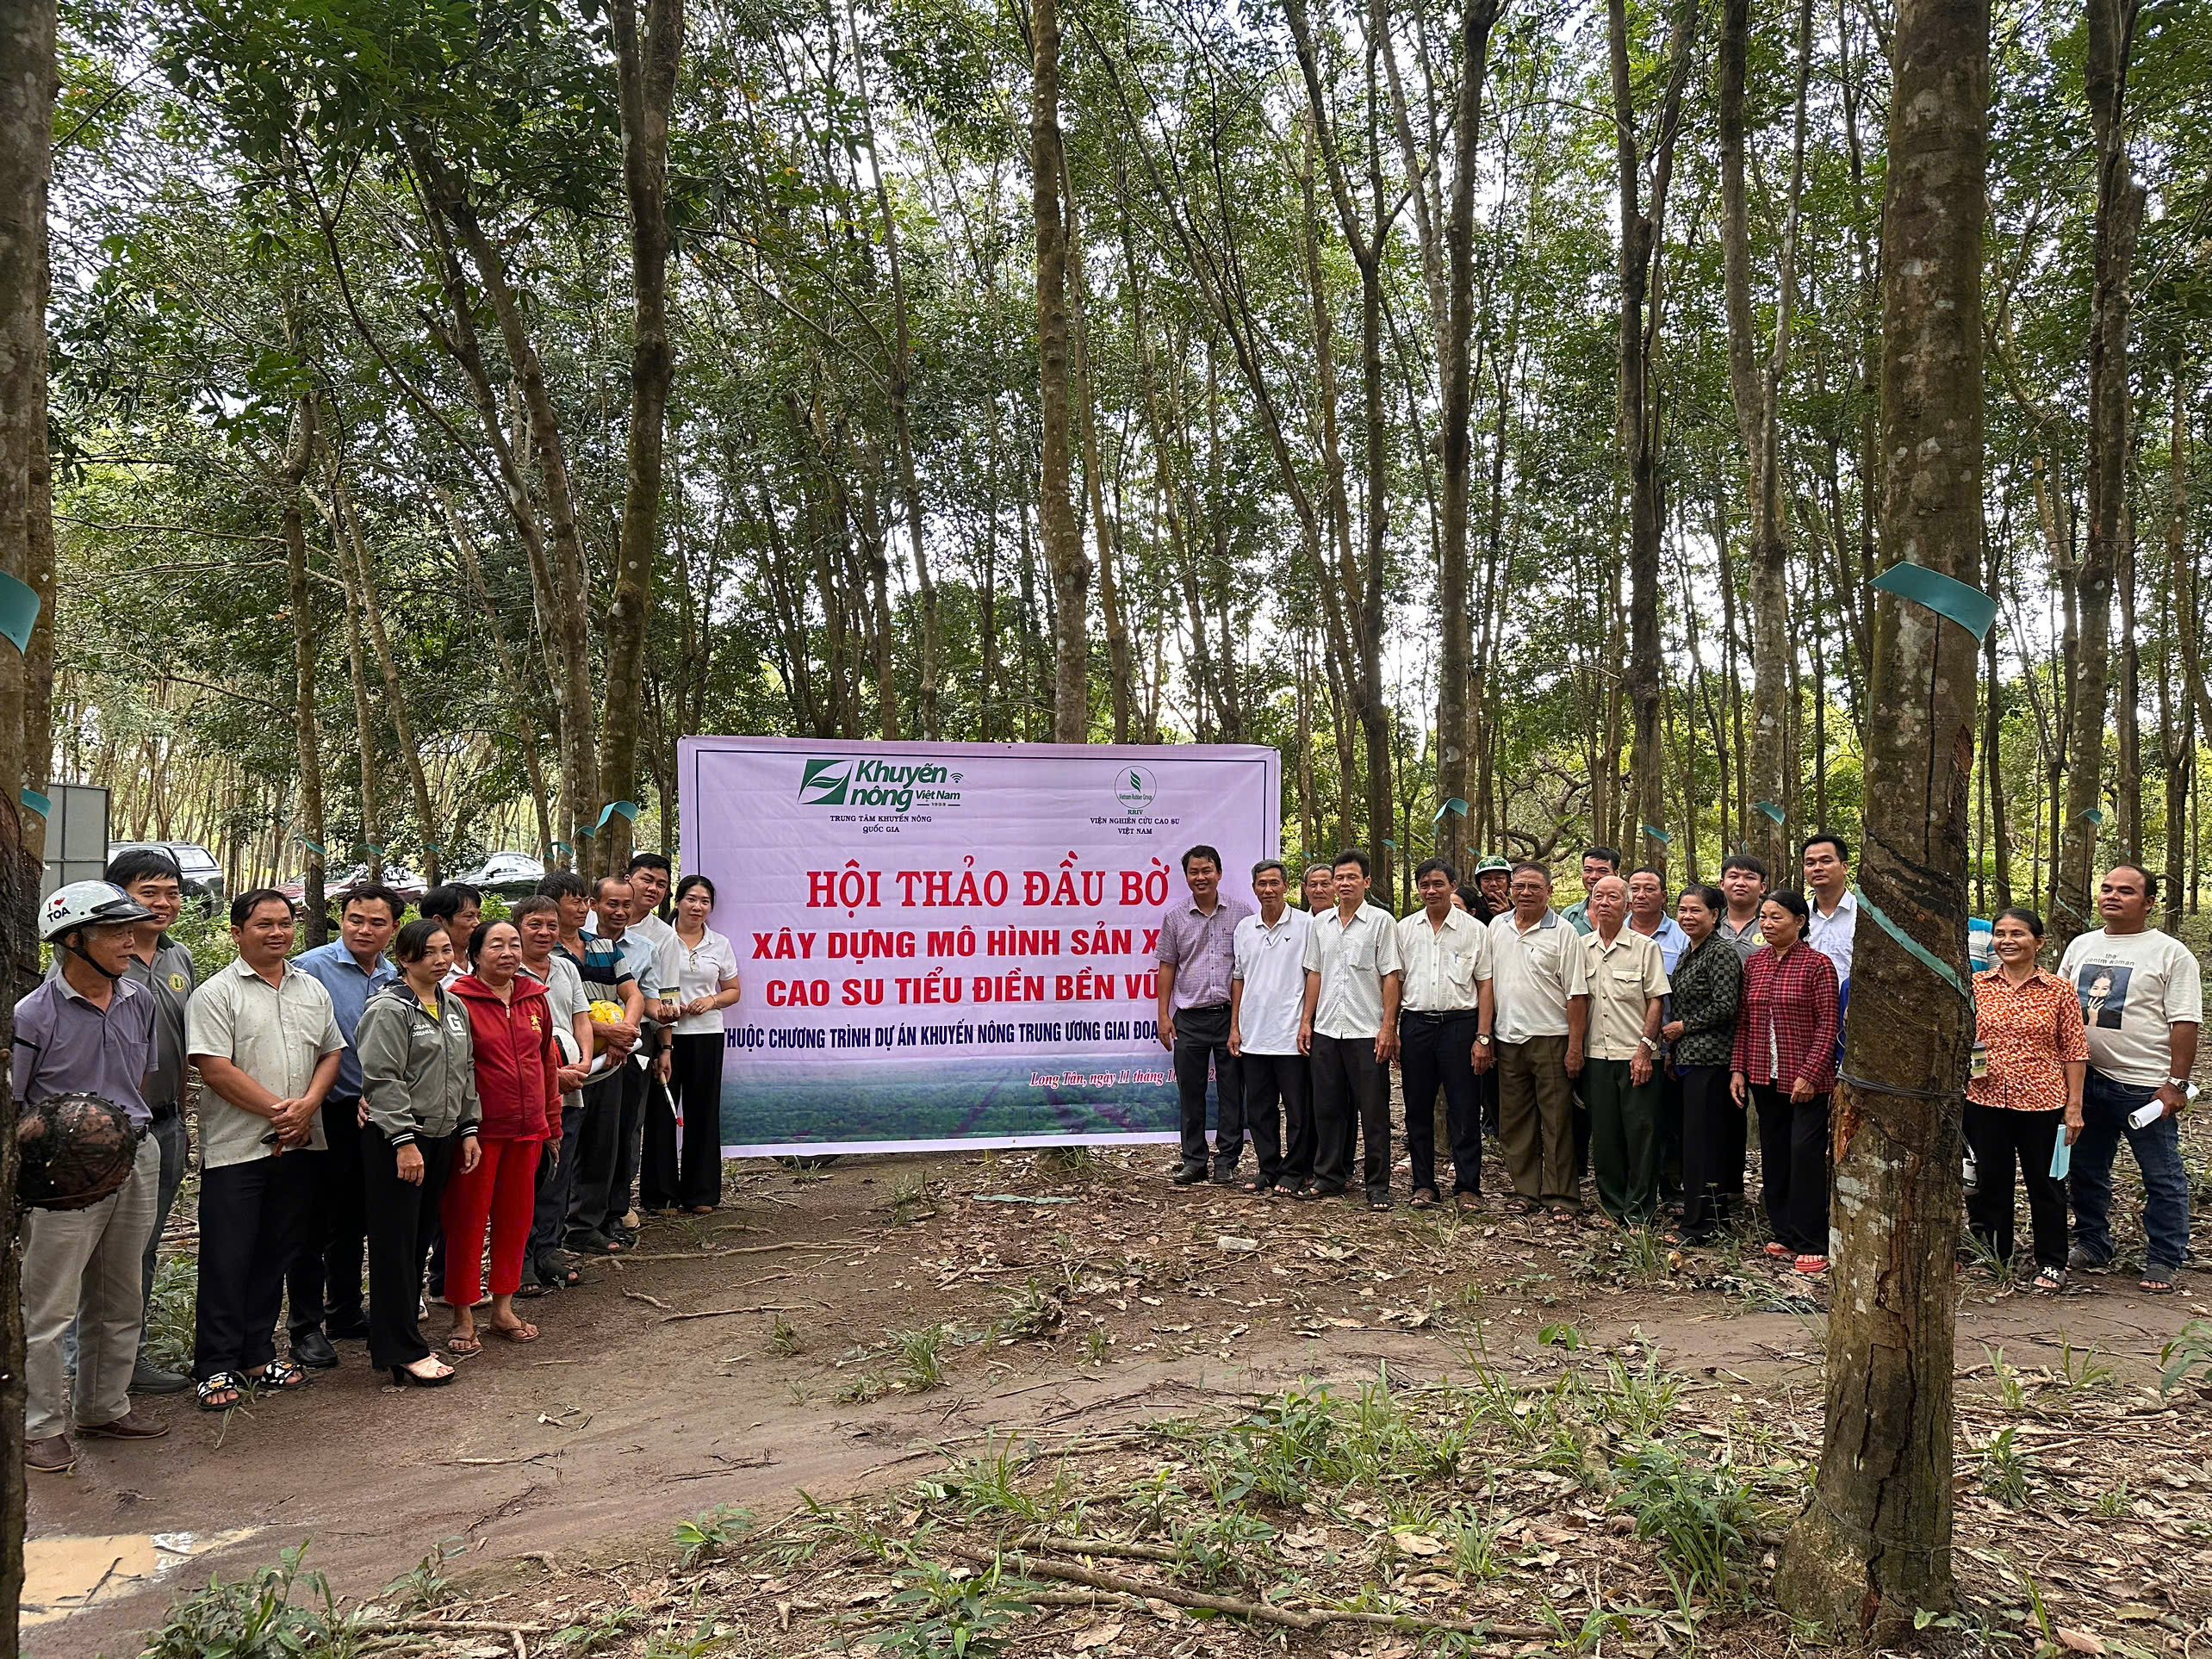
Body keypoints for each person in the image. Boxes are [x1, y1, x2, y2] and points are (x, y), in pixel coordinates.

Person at [17, 882, 164, 1475]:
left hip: (135, 1153)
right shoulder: (33, 1015)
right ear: (73, 941)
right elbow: (18, 1104)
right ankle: (40, 1426)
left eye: (132, 929)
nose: (131, 941)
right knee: (49, 1305)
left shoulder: (139, 1000)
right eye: (116, 932)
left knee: (120, 1291)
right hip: (61, 1176)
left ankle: (103, 1406)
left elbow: (143, 1078)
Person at [185, 889, 345, 1410]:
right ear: (237, 933)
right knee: (227, 1257)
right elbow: (214, 1068)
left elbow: (330, 1053)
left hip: (301, 1144)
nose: (277, 932)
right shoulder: (216, 994)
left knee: (277, 1251)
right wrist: (283, 1111)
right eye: (263, 925)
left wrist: (310, 1107)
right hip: (239, 1149)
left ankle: (257, 1353)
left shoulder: (311, 989)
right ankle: (215, 1365)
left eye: (285, 923)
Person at [2058, 864, 2200, 1294]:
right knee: (2086, 1169)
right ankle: (2093, 1243)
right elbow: (2062, 1008)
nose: (2112, 896)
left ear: (2148, 902)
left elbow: (2185, 1021)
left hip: (2143, 1084)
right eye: (2106, 888)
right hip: (2087, 1079)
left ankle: (2164, 1257)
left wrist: (2176, 1082)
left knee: (2161, 1175)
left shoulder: (2170, 953)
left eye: (2126, 891)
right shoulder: (2082, 945)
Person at [356, 919, 481, 1384]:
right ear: (405, 958)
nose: (441, 960)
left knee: (419, 1241)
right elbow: (383, 1079)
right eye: (429, 952)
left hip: (444, 1137)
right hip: (400, 1142)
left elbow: (465, 1070)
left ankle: (397, 1336)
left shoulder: (452, 1005)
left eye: (446, 950)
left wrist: (468, 1129)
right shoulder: (389, 1009)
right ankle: (402, 1349)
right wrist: (403, 1142)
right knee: (394, 1245)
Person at [287, 884, 403, 1370]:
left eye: (377, 922)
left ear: (394, 928)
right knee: (314, 1223)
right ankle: (305, 1327)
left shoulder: (394, 975)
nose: (364, 929)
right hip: (326, 1109)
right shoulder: (312, 968)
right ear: (341, 918)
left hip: (375, 1114)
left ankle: (345, 1312)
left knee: (357, 1218)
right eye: (356, 919)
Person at [103, 846, 199, 1395]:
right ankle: (92, 1361)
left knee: (145, 1241)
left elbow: (185, 1044)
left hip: (166, 1122)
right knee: (101, 1244)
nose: (163, 903)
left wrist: (183, 1115)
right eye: (149, 893)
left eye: (171, 892)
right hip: (108, 1127)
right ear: (119, 896)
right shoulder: (95, 956)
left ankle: (128, 1358)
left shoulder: (179, 957)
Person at [442, 919, 562, 1352]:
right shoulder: (457, 1001)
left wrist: (551, 1124)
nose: (508, 952)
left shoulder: (534, 999)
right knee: (468, 1222)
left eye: (514, 944)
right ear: (475, 954)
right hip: (479, 1133)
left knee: (515, 1220)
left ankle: (503, 1308)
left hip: (528, 1131)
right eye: (497, 945)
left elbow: (546, 1063)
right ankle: (462, 1314)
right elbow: (454, 1070)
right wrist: (464, 1128)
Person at [1969, 908, 2088, 1292]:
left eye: (2017, 934)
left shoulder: (2058, 990)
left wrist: (2074, 1106)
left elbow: (2074, 1050)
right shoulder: (1977, 984)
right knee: (1992, 1182)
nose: (2007, 941)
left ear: (2038, 942)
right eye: (2000, 933)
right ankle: (1996, 1255)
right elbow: (1968, 1038)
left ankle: (2051, 1261)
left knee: (2046, 1184)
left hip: (2043, 1103)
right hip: (1985, 1101)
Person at [528, 870, 641, 1267]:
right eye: (574, 900)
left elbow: (632, 993)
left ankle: (585, 1225)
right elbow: (562, 1013)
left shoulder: (602, 946)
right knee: (560, 1152)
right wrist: (608, 1033)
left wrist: (623, 1034)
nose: (583, 907)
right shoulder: (539, 953)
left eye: (583, 900)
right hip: (563, 1067)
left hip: (609, 1061)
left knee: (602, 1144)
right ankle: (547, 1240)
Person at [1730, 892, 1840, 1274]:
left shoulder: (1818, 965)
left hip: (1807, 1078)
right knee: (1775, 1154)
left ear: (1799, 921)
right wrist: (1738, 1069)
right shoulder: (1756, 964)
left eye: (1777, 917)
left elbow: (1830, 1023)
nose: (1767, 923)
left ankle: (1813, 1240)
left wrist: (1810, 1073)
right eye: (1763, 917)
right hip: (1763, 1073)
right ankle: (1785, 1232)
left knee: (1805, 1154)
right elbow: (1743, 1021)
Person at [1300, 850, 1401, 1206]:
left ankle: (1378, 1186)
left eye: (1351, 878)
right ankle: (1329, 1176)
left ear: (1366, 882)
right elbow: (1315, 973)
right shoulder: (1320, 923)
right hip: (1328, 1029)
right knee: (1327, 1107)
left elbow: (1391, 976)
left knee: (1373, 1112)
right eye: (1339, 878)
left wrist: (1388, 1026)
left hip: (1366, 1031)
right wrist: (1306, 1021)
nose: (1344, 884)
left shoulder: (1380, 922)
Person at [1488, 863, 1590, 1215]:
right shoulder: (1497, 927)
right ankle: (1526, 1191)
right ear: (1510, 890)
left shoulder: (1563, 932)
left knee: (1557, 1120)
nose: (1526, 893)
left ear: (1549, 891)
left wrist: (1575, 1046)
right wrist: (1485, 1035)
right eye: (1520, 886)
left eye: (1534, 886)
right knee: (1515, 1119)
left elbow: (1577, 995)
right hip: (1508, 1038)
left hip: (1551, 1038)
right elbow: (1488, 984)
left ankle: (1561, 1196)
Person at [1395, 857, 1494, 1210]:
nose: (1431, 890)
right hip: (1416, 1024)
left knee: (1464, 1107)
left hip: (1460, 1025)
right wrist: (1392, 1030)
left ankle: (1468, 1187)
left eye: (1438, 883)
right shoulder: (1404, 929)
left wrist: (1483, 1037)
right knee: (1417, 1108)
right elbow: (1396, 981)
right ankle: (1423, 1184)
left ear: (1453, 885)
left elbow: (1485, 985)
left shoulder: (1475, 930)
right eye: (1424, 885)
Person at [1157, 844, 1254, 1185]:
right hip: (1190, 1019)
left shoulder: (1242, 913)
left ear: (1219, 873)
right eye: (1194, 872)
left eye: (1207, 871)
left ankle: (1227, 1161)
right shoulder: (1175, 916)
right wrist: (1163, 1016)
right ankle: (1194, 1160)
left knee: (1231, 1092)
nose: (1201, 877)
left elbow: (1250, 965)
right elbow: (1167, 966)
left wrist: (1240, 1021)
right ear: (1186, 877)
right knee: (1191, 1094)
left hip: (1231, 1018)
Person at [512, 895, 593, 1295]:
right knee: (526, 1179)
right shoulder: (510, 972)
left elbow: (582, 1018)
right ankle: (519, 1259)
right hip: (529, 1093)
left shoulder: (565, 968)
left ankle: (548, 1249)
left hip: (571, 1090)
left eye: (551, 925)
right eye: (534, 925)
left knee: (557, 1176)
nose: (544, 933)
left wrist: (586, 1062)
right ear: (518, 928)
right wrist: (550, 1075)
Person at [1579, 876, 1670, 1225]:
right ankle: (1612, 1205)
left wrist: (1646, 1050)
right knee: (1605, 1135)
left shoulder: (1645, 948)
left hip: (1637, 1056)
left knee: (1642, 1134)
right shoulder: (1581, 947)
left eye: (1613, 897)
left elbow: (1656, 1001)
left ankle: (1640, 1210)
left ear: (1627, 905)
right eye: (1598, 896)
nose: (1604, 903)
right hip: (1595, 1057)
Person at [649, 875, 741, 1213]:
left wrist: (711, 1001)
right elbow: (649, 985)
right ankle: (661, 1196)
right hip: (665, 1036)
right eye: (691, 899)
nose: (697, 907)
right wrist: (664, 1018)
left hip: (707, 1036)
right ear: (677, 901)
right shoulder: (660, 938)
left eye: (704, 901)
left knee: (703, 1112)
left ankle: (701, 1194)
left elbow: (733, 990)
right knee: (662, 1114)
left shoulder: (719, 944)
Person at [581, 873, 666, 1246]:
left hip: (634, 1043)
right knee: (591, 1134)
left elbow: (647, 998)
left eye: (625, 905)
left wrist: (633, 1037)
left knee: (627, 1130)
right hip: (587, 1046)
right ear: (594, 904)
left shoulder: (645, 948)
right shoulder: (580, 943)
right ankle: (584, 1216)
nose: (619, 911)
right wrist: (608, 1035)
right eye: (611, 903)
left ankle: (616, 1211)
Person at [1662, 885, 1743, 1243]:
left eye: (1696, 911)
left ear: (1715, 915)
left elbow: (1727, 1005)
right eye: (1683, 910)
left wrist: (1685, 1027)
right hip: (1687, 1059)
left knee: (1705, 1143)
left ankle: (1701, 1226)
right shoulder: (1688, 953)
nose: (1687, 917)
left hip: (1712, 1060)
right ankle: (1707, 1217)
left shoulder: (1721, 953)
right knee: (1696, 1142)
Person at [1229, 861, 1314, 1196]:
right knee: (1260, 1110)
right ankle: (1268, 1167)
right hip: (1253, 1035)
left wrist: (1306, 1022)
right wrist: (1235, 1026)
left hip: (1292, 1035)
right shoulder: (1244, 929)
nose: (1268, 889)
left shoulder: (1306, 924)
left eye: (1274, 883)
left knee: (1297, 1110)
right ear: (1254, 888)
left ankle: (1294, 1171)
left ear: (1286, 886)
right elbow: (1238, 979)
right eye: (1262, 883)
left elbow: (1313, 977)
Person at [1628, 867, 1691, 1202]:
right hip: (1624, 1044)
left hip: (1670, 1044)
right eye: (1634, 888)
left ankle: (1671, 1183)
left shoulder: (1682, 936)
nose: (1640, 895)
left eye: (1649, 889)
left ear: (1663, 896)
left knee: (1670, 1119)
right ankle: (1638, 1184)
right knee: (1636, 1120)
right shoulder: (1613, 933)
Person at [1801, 835, 1856, 995]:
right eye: (1810, 863)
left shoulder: (1863, 915)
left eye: (1826, 861)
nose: (1817, 868)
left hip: (1851, 1008)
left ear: (1844, 867)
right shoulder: (1798, 916)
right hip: (1806, 1009)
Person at [420, 884, 484, 979]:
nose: (477, 924)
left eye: (478, 916)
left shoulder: (483, 961)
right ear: (439, 921)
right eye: (469, 917)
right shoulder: (427, 970)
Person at [1716, 855, 1769, 961]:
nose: (1740, 883)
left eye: (1749, 878)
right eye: (1733, 877)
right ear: (1722, 884)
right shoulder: (1711, 924)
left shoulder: (1774, 923)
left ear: (1762, 887)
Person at [1561, 847, 1621, 935]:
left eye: (1602, 871)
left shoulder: (1630, 915)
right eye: (1588, 870)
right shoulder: (1570, 915)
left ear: (1616, 874)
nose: (1594, 876)